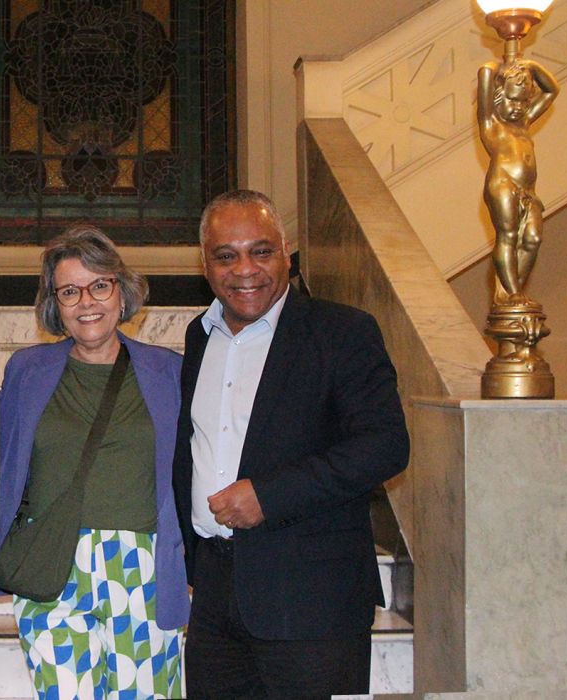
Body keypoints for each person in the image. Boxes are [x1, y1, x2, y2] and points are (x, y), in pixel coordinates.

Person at [172, 190, 409, 698]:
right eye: (226, 256)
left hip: (312, 601)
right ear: (205, 265)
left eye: (261, 251)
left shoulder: (342, 331)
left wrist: (268, 495)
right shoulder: (199, 336)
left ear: (285, 253)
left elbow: (385, 445)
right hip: (214, 598)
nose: (245, 270)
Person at [0, 226, 189, 699]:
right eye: (69, 291)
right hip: (51, 566)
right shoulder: (26, 371)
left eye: (99, 285)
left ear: (121, 293)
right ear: (54, 304)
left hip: (143, 569)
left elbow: (189, 474)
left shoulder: (168, 371)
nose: (86, 302)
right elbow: (4, 470)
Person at [477, 57, 559, 305]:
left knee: (533, 239)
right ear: (498, 98)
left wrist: (531, 66)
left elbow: (552, 90)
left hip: (528, 190)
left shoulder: (523, 123)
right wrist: (500, 66)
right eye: (512, 100)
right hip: (503, 184)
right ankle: (513, 293)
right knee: (508, 236)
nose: (518, 107)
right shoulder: (491, 124)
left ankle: (511, 291)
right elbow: (485, 74)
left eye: (523, 102)